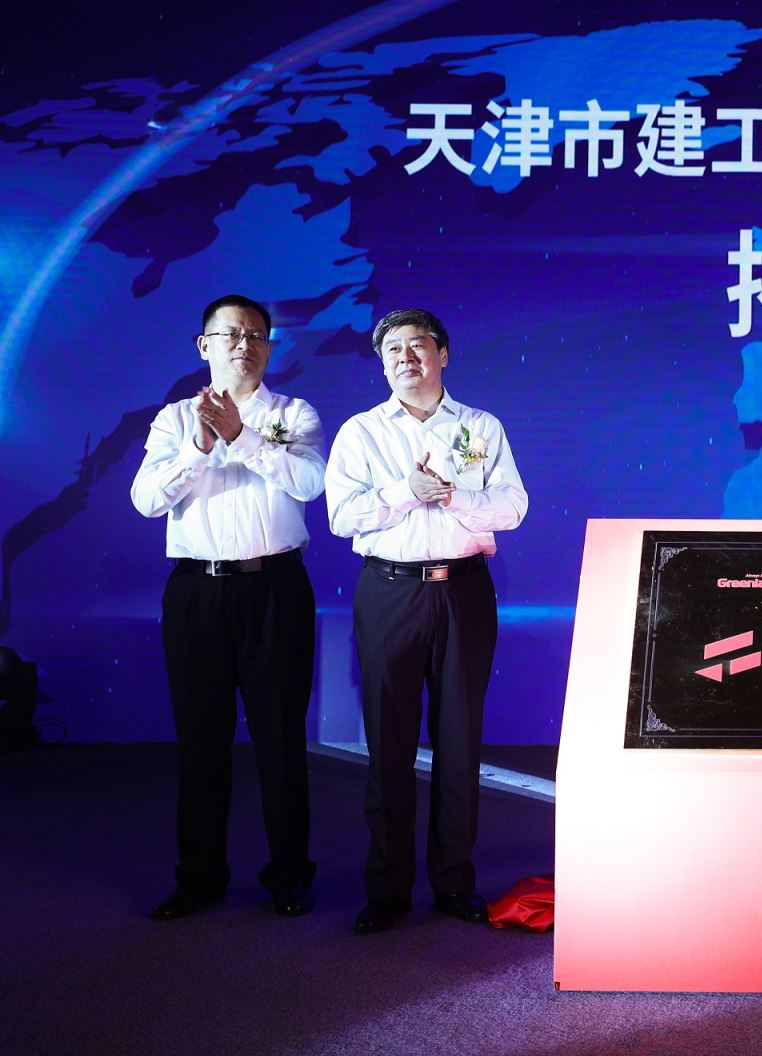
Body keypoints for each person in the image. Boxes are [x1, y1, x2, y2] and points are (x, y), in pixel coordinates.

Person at [325, 308, 527, 934]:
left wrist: (455, 497)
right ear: (382, 364)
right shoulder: (361, 432)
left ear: (443, 354)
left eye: (418, 346)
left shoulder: (480, 427)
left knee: (459, 739)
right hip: (390, 591)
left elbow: (513, 507)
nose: (405, 358)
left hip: (464, 590)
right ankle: (387, 888)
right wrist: (405, 493)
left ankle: (453, 881)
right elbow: (341, 516)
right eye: (393, 350)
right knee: (388, 740)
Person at [131, 293, 323, 919]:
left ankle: (289, 876)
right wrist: (200, 448)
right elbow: (146, 502)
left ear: (269, 346)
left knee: (281, 739)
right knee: (201, 740)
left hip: (275, 589)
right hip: (198, 592)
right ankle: (199, 878)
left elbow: (310, 483)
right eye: (231, 334)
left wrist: (241, 438)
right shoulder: (172, 420)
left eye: (257, 335)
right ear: (204, 345)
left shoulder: (293, 413)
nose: (245, 345)